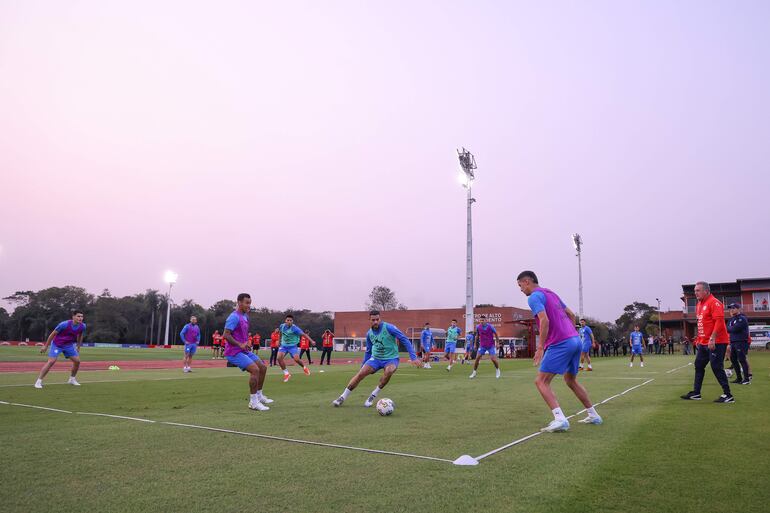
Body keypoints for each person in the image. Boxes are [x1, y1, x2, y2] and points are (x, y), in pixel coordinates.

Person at [516, 271, 602, 432]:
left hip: (560, 343)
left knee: (541, 381)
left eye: (520, 285)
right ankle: (594, 415)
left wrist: (540, 347)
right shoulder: (550, 293)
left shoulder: (533, 297)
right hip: (575, 341)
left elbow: (544, 320)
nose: (520, 290)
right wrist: (571, 332)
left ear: (527, 281)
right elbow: (571, 314)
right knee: (570, 380)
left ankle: (560, 419)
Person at [332, 310, 421, 407]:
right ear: (369, 320)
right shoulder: (369, 333)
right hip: (376, 358)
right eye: (373, 320)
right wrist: (363, 365)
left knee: (389, 371)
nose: (375, 322)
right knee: (361, 374)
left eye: (377, 319)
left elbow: (404, 339)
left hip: (391, 358)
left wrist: (413, 357)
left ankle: (373, 395)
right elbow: (368, 351)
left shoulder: (389, 328)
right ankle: (342, 397)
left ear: (380, 319)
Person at [681, 281, 734, 403]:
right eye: (695, 291)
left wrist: (712, 338)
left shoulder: (715, 303)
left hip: (717, 342)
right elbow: (701, 324)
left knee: (716, 366)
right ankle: (696, 393)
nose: (696, 293)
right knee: (698, 365)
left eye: (698, 290)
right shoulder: (699, 304)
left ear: (706, 291)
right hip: (703, 343)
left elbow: (719, 323)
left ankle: (728, 395)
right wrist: (699, 339)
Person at [223, 293, 271, 411]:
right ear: (239, 302)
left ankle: (259, 396)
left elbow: (241, 334)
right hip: (233, 351)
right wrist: (239, 344)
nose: (249, 305)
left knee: (263, 368)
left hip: (243, 350)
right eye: (246, 303)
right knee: (255, 370)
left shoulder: (245, 316)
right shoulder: (234, 317)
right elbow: (226, 334)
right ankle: (253, 402)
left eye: (250, 303)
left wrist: (246, 343)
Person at [35, 310, 86, 388]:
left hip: (69, 346)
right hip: (57, 345)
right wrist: (46, 346)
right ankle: (38, 382)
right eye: (78, 316)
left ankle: (72, 379)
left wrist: (78, 346)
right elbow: (52, 335)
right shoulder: (64, 324)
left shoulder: (83, 326)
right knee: (51, 361)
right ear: (73, 317)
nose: (80, 318)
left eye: (82, 316)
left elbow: (80, 336)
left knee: (77, 361)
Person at [276, 314, 317, 382]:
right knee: (279, 358)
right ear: (285, 321)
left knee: (297, 359)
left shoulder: (295, 328)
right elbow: (280, 333)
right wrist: (279, 340)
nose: (289, 321)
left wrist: (311, 341)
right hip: (283, 346)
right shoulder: (282, 326)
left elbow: (304, 334)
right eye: (288, 320)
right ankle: (286, 374)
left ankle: (304, 367)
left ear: (292, 321)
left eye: (290, 320)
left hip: (292, 346)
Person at [725, 303, 750, 385]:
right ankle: (739, 378)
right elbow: (728, 329)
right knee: (733, 360)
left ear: (739, 309)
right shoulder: (731, 319)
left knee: (742, 360)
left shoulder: (742, 318)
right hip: (733, 342)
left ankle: (746, 379)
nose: (731, 310)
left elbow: (735, 329)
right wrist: (731, 328)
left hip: (741, 341)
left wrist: (730, 328)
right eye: (730, 308)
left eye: (733, 308)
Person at [469, 315, 501, 379]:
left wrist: (497, 343)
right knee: (477, 358)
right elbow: (477, 336)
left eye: (483, 320)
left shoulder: (490, 327)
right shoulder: (478, 327)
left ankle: (497, 370)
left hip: (490, 345)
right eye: (480, 320)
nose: (481, 321)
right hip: (482, 345)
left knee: (493, 359)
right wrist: (475, 344)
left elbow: (496, 334)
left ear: (486, 320)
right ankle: (474, 372)